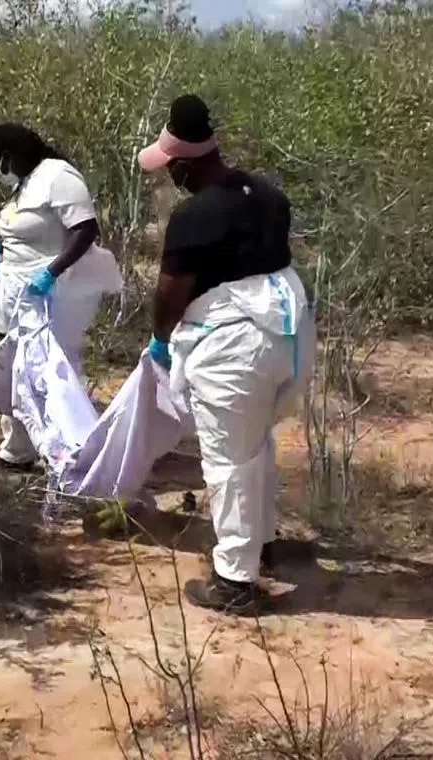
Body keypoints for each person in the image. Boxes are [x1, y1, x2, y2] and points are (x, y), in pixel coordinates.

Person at [137, 95, 316, 613]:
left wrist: (160, 337)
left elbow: (171, 291)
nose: (169, 175)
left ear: (183, 165)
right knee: (254, 444)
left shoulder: (193, 217)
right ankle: (262, 542)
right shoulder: (269, 196)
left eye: (170, 167)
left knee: (228, 460)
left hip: (236, 346)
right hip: (290, 334)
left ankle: (235, 580)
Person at [0, 123, 121, 473]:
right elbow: (27, 229)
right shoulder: (26, 183)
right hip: (15, 290)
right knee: (15, 368)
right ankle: (18, 450)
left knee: (50, 371)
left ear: (12, 155)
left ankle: (72, 453)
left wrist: (50, 273)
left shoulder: (58, 176)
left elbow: (85, 229)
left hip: (49, 293)